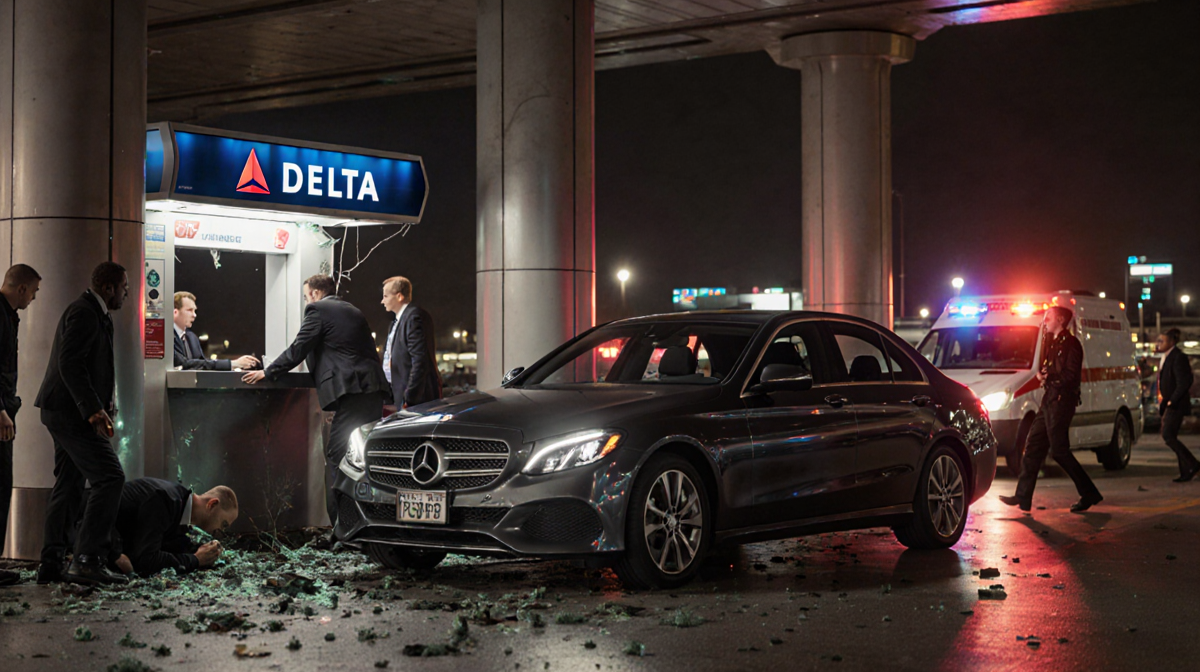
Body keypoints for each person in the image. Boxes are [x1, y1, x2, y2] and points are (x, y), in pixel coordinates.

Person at [243, 274, 388, 530]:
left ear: (314, 293)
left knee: (338, 457)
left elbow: (299, 347)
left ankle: (342, 529)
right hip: (372, 389)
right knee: (363, 458)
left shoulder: (318, 309)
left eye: (305, 295)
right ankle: (372, 523)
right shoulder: (352, 309)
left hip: (352, 392)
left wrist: (268, 371)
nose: (305, 300)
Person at [35, 261, 130, 585]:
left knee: (70, 483)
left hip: (63, 411)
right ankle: (87, 559)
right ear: (108, 287)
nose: (127, 293)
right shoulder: (85, 312)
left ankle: (52, 563)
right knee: (110, 477)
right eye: (123, 287)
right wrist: (91, 409)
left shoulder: (95, 313)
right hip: (69, 413)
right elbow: (70, 362)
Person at [1000, 305, 1104, 513]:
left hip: (1061, 402)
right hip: (1049, 401)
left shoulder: (1072, 344)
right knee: (1032, 446)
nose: (1045, 320)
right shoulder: (1053, 343)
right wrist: (1044, 375)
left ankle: (1089, 492)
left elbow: (1071, 377)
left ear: (1060, 320)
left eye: (1048, 317)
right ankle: (1023, 497)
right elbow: (1054, 369)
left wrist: (1050, 378)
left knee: (1059, 451)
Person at [0, 264, 41, 587]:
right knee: (1, 486)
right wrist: (0, 408)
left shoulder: (8, 315)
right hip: (0, 414)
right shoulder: (1, 315)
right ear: (23, 288)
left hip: (5, 410)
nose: (35, 298)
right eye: (35, 291)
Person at [109, 478, 237, 577]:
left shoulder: (178, 501)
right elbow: (145, 560)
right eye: (223, 524)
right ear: (212, 504)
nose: (220, 531)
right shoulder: (165, 500)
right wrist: (195, 559)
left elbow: (168, 546)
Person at [380, 276, 441, 411]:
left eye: (385, 296)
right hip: (402, 397)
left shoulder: (414, 317)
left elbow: (419, 361)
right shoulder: (397, 322)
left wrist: (409, 398)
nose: (382, 301)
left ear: (399, 296)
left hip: (415, 401)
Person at [173, 291, 259, 370]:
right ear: (175, 312)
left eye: (195, 311)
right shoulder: (165, 339)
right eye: (189, 310)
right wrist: (233, 364)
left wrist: (234, 365)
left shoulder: (191, 337)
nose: (194, 315)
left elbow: (202, 365)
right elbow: (184, 364)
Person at [1156, 328, 1199, 483]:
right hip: (1171, 402)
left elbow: (1184, 381)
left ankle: (1193, 464)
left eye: (1162, 341)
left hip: (1177, 404)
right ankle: (1187, 470)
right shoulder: (1166, 357)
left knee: (1168, 435)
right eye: (1158, 340)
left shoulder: (1178, 357)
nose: (1158, 343)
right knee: (1170, 436)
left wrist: (1172, 400)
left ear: (1172, 342)